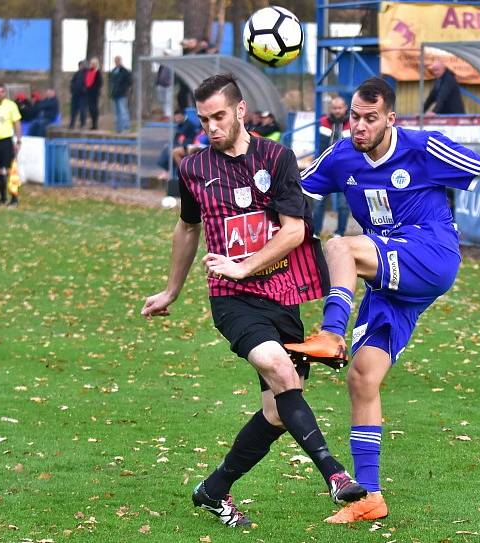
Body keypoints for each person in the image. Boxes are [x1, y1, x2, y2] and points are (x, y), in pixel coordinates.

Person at [285, 77, 480, 524]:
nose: (358, 126)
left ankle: (331, 334)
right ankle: (369, 497)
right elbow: (293, 191)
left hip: (430, 255)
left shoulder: (425, 148)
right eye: (354, 116)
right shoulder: (340, 156)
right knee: (362, 377)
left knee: (341, 246)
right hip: (388, 278)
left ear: (390, 118)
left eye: (370, 118)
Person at [141, 73, 366, 528]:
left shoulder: (277, 158)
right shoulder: (193, 168)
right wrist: (171, 290)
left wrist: (248, 264)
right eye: (204, 120)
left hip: (282, 293)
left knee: (277, 411)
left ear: (240, 111)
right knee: (281, 370)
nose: (212, 127)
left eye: (219, 116)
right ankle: (335, 474)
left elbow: (296, 229)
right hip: (232, 298)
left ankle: (214, 489)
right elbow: (187, 228)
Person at [313, 96, 351, 238]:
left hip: (345, 170)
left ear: (345, 107)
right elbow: (321, 146)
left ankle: (340, 232)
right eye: (334, 108)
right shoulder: (323, 122)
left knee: (343, 203)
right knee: (318, 202)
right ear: (330, 108)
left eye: (339, 108)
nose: (337, 111)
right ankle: (316, 232)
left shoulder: (352, 122)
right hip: (325, 169)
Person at [109, 55, 132, 132]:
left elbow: (129, 82)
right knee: (117, 112)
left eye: (118, 61)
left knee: (123, 111)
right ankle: (119, 128)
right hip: (115, 94)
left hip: (122, 94)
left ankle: (126, 127)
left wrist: (125, 90)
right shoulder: (113, 71)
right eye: (115, 61)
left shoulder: (125, 71)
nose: (116, 62)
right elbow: (111, 82)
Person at [85, 57, 103, 130]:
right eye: (91, 63)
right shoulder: (89, 71)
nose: (91, 64)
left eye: (93, 63)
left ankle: (95, 124)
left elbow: (100, 83)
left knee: (94, 108)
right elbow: (86, 81)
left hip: (94, 93)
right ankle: (93, 124)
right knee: (90, 108)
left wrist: (94, 88)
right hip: (89, 92)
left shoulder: (97, 72)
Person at [69, 60, 88, 129]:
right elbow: (72, 82)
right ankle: (72, 124)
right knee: (73, 110)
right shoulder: (76, 74)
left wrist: (84, 90)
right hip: (75, 95)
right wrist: (72, 89)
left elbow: (88, 84)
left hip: (83, 96)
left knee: (83, 111)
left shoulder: (87, 73)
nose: (81, 66)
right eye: (80, 65)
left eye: (82, 65)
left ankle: (83, 125)